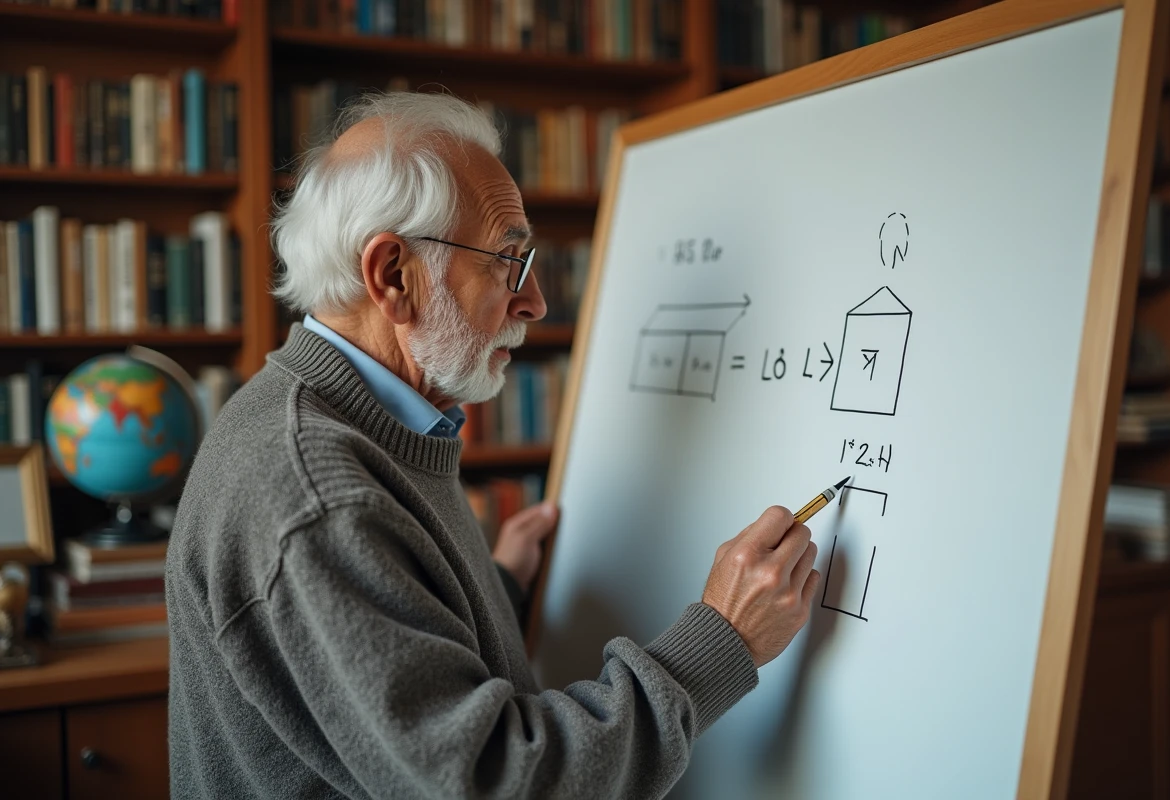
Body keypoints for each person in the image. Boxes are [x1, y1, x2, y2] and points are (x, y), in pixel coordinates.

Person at [166, 91, 822, 799]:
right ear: (392, 276)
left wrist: (496, 590)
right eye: (508, 258)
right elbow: (494, 781)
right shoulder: (315, 497)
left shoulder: (350, 427)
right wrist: (722, 640)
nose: (536, 300)